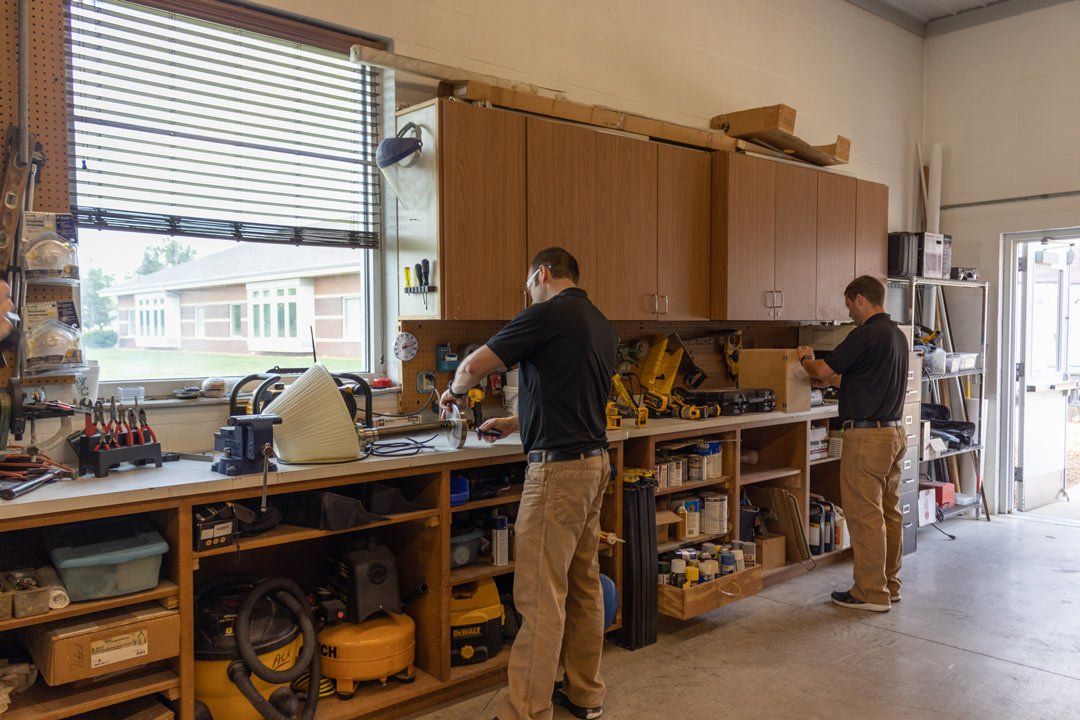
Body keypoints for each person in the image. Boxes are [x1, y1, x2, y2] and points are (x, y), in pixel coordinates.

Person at [439, 247, 617, 720]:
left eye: (528, 286)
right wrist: (516, 422)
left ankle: (526, 710)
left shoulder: (546, 314)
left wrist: (453, 393)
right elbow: (573, 401)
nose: (528, 295)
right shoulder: (599, 323)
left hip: (558, 474)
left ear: (542, 274)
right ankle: (586, 695)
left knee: (540, 596)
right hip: (593, 463)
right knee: (582, 586)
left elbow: (473, 366)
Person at [797, 275, 908, 613]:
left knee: (864, 516)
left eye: (849, 306)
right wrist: (837, 378)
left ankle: (870, 593)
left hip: (866, 439)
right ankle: (889, 584)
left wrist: (805, 358)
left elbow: (818, 367)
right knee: (889, 513)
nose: (849, 314)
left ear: (861, 299)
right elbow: (867, 376)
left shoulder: (865, 334)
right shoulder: (897, 336)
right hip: (893, 435)